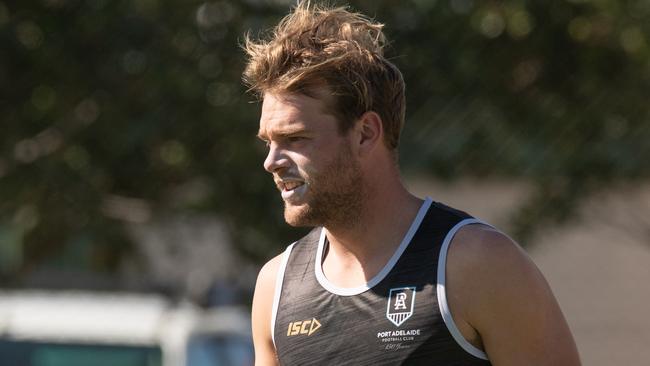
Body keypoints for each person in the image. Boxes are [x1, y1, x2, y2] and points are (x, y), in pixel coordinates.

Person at [243, 2, 581, 365]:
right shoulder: (276, 289)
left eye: (295, 139)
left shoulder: (476, 264)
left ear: (365, 134)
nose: (271, 162)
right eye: (269, 142)